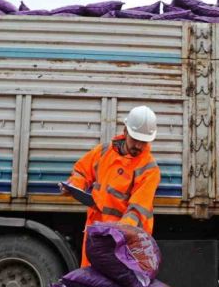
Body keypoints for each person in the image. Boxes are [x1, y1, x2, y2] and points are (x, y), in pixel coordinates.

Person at [61, 105, 161, 267]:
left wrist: (117, 234)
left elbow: (137, 210)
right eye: (135, 139)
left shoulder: (149, 169)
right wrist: (73, 186)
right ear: (125, 131)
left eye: (144, 142)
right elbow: (81, 171)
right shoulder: (104, 152)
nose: (139, 146)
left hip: (126, 240)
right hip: (96, 231)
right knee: (92, 283)